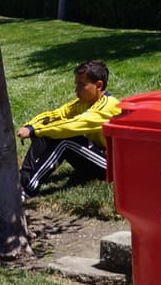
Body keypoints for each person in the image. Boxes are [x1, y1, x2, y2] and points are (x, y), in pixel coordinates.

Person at [16, 59, 122, 199]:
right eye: (76, 84)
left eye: (81, 85)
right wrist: (32, 126)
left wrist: (36, 130)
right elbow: (57, 115)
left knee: (65, 140)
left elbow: (72, 126)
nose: (76, 90)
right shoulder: (84, 102)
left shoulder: (108, 107)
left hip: (112, 166)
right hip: (95, 155)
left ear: (98, 85)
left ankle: (29, 189)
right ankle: (23, 178)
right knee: (48, 132)